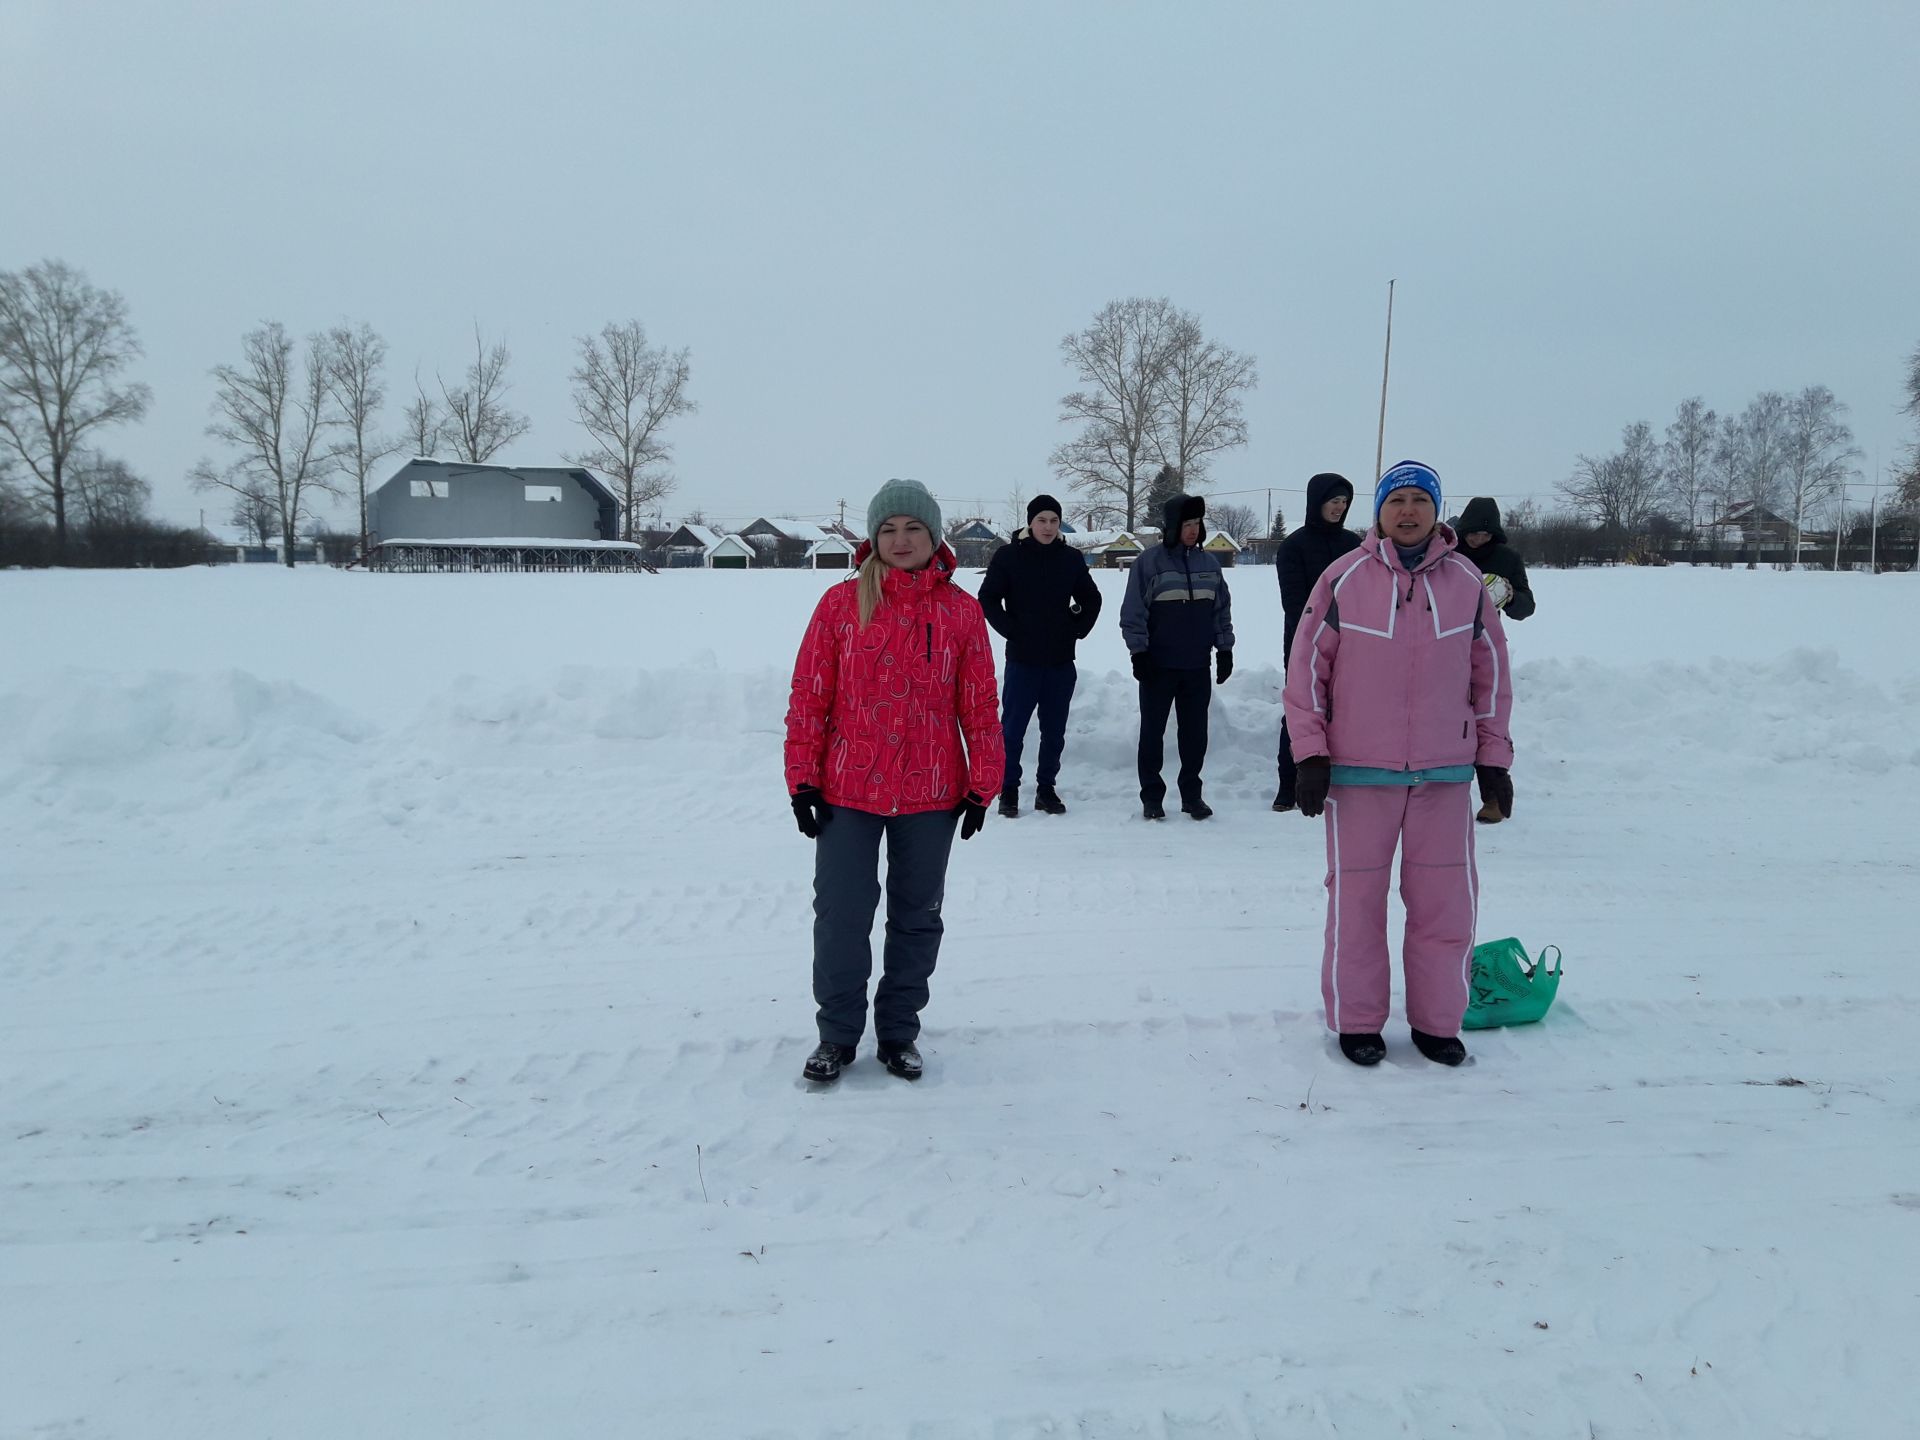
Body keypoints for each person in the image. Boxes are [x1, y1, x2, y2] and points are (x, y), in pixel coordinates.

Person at [1282, 461, 1514, 1068]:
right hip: (1359, 775)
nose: (1408, 511)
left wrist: (1494, 760)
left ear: (1438, 511)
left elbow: (1491, 678)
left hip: (1444, 774)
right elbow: (1306, 672)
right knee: (1357, 905)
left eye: (1420, 500)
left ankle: (1438, 1022)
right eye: (1396, 501)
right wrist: (1309, 753)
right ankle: (1359, 1021)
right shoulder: (1343, 577)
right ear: (1379, 512)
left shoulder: (1467, 582)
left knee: (1446, 905)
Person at [784, 478, 1004, 1085]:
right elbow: (810, 695)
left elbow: (980, 704)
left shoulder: (961, 611)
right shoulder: (840, 603)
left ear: (934, 537)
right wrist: (802, 780)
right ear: (873, 538)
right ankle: (836, 1036)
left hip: (932, 791)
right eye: (888, 529)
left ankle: (899, 1032)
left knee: (916, 915)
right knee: (841, 915)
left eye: (912, 529)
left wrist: (983, 783)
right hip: (846, 790)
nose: (901, 540)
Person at [978, 493, 1104, 817]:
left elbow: (1092, 599)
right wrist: (1012, 630)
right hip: (1022, 661)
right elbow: (988, 598)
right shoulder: (1009, 557)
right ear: (1030, 523)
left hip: (1061, 662)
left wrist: (1077, 628)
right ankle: (1008, 790)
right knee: (1013, 729)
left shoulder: (1070, 559)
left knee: (1054, 731)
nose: (1047, 527)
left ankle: (1046, 790)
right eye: (1041, 521)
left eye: (1053, 521)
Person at [1119, 491, 1235, 820]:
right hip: (1158, 665)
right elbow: (1133, 611)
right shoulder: (1149, 563)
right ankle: (1152, 797)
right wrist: (1138, 652)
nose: (1193, 530)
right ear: (1172, 526)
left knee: (1195, 735)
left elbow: (1221, 610)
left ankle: (1191, 794)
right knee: (1152, 734)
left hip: (1197, 665)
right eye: (1186, 523)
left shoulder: (1209, 564)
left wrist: (1224, 648)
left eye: (1197, 523)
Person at [1274, 472, 1360, 812]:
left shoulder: (1353, 546)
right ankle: (1288, 784)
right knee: (1300, 711)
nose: (1339, 508)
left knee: (1348, 712)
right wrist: (1322, 632)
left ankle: (1340, 780)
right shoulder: (1293, 546)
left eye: (1343, 502)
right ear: (1316, 502)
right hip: (1303, 642)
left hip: (1354, 645)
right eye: (1333, 501)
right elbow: (1294, 603)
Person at [1454, 496, 1535, 825]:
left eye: (1484, 534)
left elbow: (1526, 607)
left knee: (1489, 721)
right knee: (1448, 722)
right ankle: (1443, 794)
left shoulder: (1507, 559)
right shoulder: (1448, 554)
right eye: (1472, 533)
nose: (1477, 539)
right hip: (1445, 646)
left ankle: (1495, 797)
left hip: (1486, 648)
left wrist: (1511, 596)